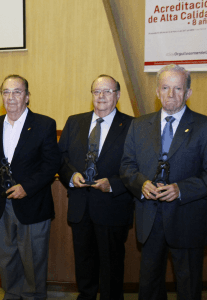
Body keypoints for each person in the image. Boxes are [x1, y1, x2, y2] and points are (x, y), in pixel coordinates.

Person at [120, 64, 207, 300]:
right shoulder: (138, 125)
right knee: (149, 287)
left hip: (187, 220)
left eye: (177, 88)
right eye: (165, 88)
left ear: (188, 93)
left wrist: (180, 189)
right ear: (157, 91)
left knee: (188, 287)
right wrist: (141, 184)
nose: (171, 94)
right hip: (150, 218)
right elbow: (126, 166)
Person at [0, 75, 61, 300]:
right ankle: (12, 293)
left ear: (27, 96)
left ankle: (33, 297)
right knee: (6, 255)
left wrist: (26, 187)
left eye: (17, 91)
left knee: (33, 258)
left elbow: (51, 163)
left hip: (32, 202)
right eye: (6, 92)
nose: (11, 97)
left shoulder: (44, 124)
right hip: (1, 202)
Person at [58, 75, 134, 300]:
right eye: (96, 91)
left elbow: (139, 166)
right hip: (81, 206)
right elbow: (60, 158)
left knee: (112, 264)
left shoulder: (132, 125)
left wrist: (114, 184)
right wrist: (71, 176)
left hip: (113, 206)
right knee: (84, 261)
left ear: (118, 96)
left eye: (107, 91)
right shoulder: (74, 121)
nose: (101, 96)